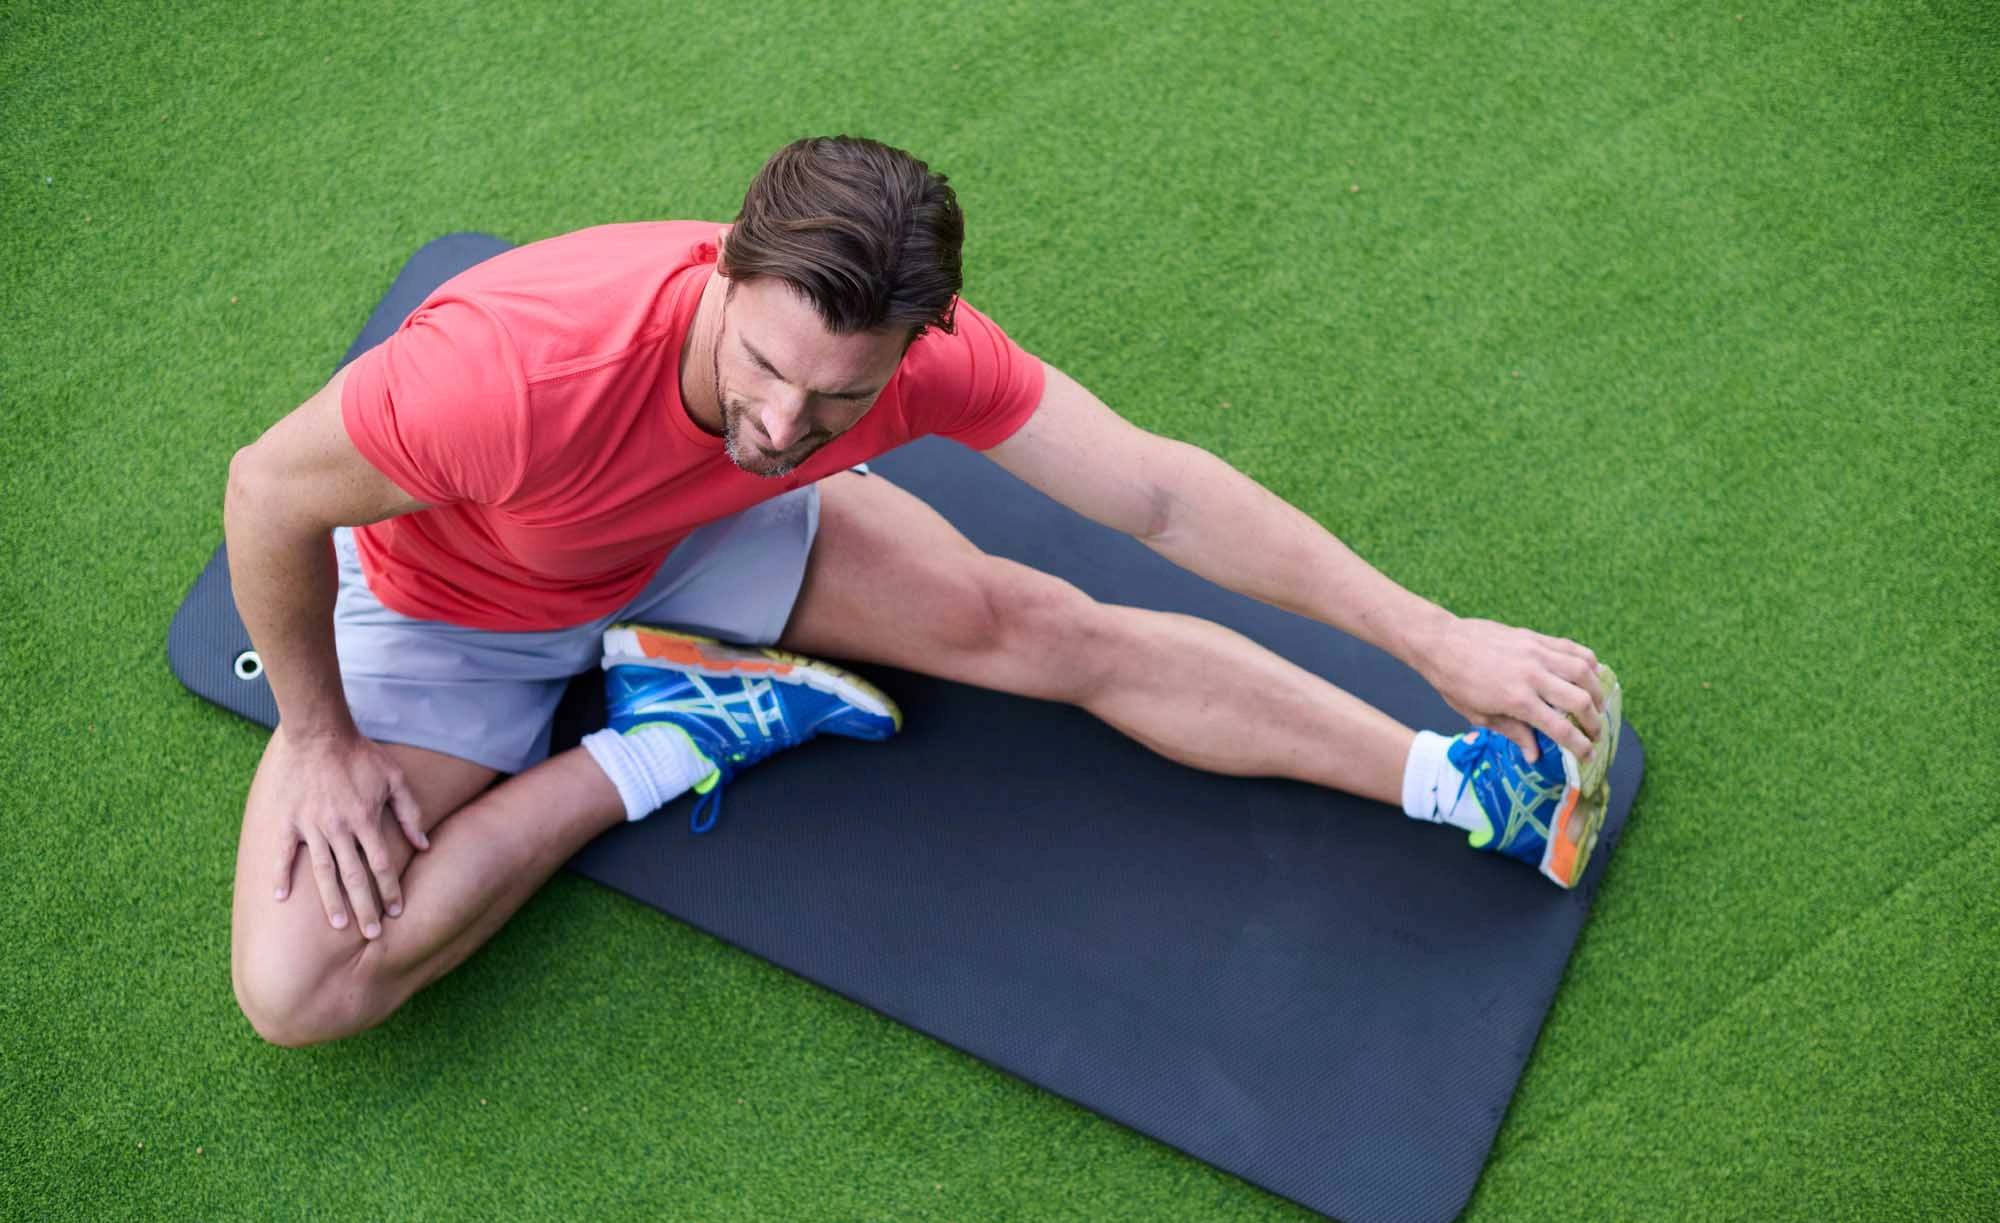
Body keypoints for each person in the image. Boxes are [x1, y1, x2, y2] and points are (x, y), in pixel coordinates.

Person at [225, 135, 1621, 1049]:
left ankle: (1460, 784)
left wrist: (1434, 637)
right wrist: (319, 736)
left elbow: (1161, 496)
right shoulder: (512, 376)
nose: (781, 423)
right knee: (301, 991)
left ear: (918, 341)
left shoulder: (911, 365)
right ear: (723, 269)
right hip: (456, 610)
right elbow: (266, 493)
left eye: (841, 395)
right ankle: (674, 737)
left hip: (703, 538)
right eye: (762, 369)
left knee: (1045, 628)